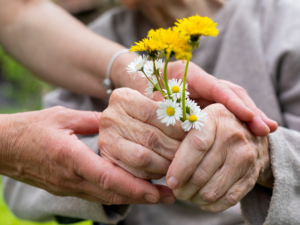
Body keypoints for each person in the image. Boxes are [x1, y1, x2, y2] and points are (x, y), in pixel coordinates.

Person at [4, 0, 299, 225]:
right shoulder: (93, 43)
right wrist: (112, 153)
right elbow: (19, 186)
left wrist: (268, 156)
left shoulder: (284, 21)